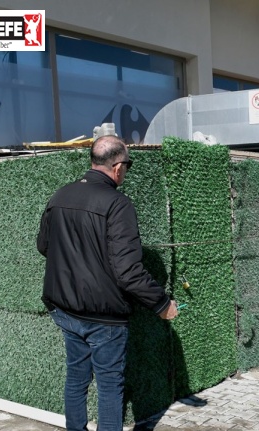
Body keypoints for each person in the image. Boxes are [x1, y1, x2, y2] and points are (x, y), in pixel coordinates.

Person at [37, 135, 178, 431]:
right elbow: (128, 271)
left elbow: (44, 246)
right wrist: (162, 304)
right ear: (117, 167)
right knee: (110, 386)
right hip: (104, 318)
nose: (126, 170)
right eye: (127, 164)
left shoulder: (59, 196)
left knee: (76, 378)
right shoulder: (118, 204)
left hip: (64, 309)